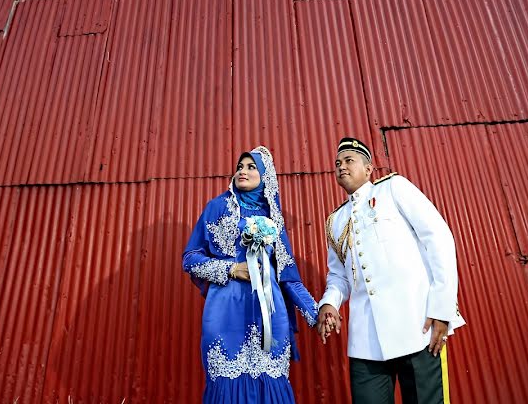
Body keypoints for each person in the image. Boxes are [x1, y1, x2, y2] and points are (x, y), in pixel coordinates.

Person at [317, 137, 465, 404]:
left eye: (349, 160)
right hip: (366, 341)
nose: (341, 166)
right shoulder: (336, 220)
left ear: (369, 168)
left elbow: (439, 238)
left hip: (417, 326)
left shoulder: (393, 188)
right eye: (338, 163)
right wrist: (329, 303)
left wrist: (442, 309)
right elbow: (338, 276)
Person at [183, 146, 319, 403]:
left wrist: (316, 314)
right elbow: (190, 259)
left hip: (270, 314)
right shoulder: (217, 207)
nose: (242, 171)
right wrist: (231, 269)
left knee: (271, 386)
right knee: (225, 387)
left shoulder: (273, 218)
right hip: (225, 313)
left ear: (266, 175)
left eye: (251, 167)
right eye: (239, 167)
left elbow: (288, 277)